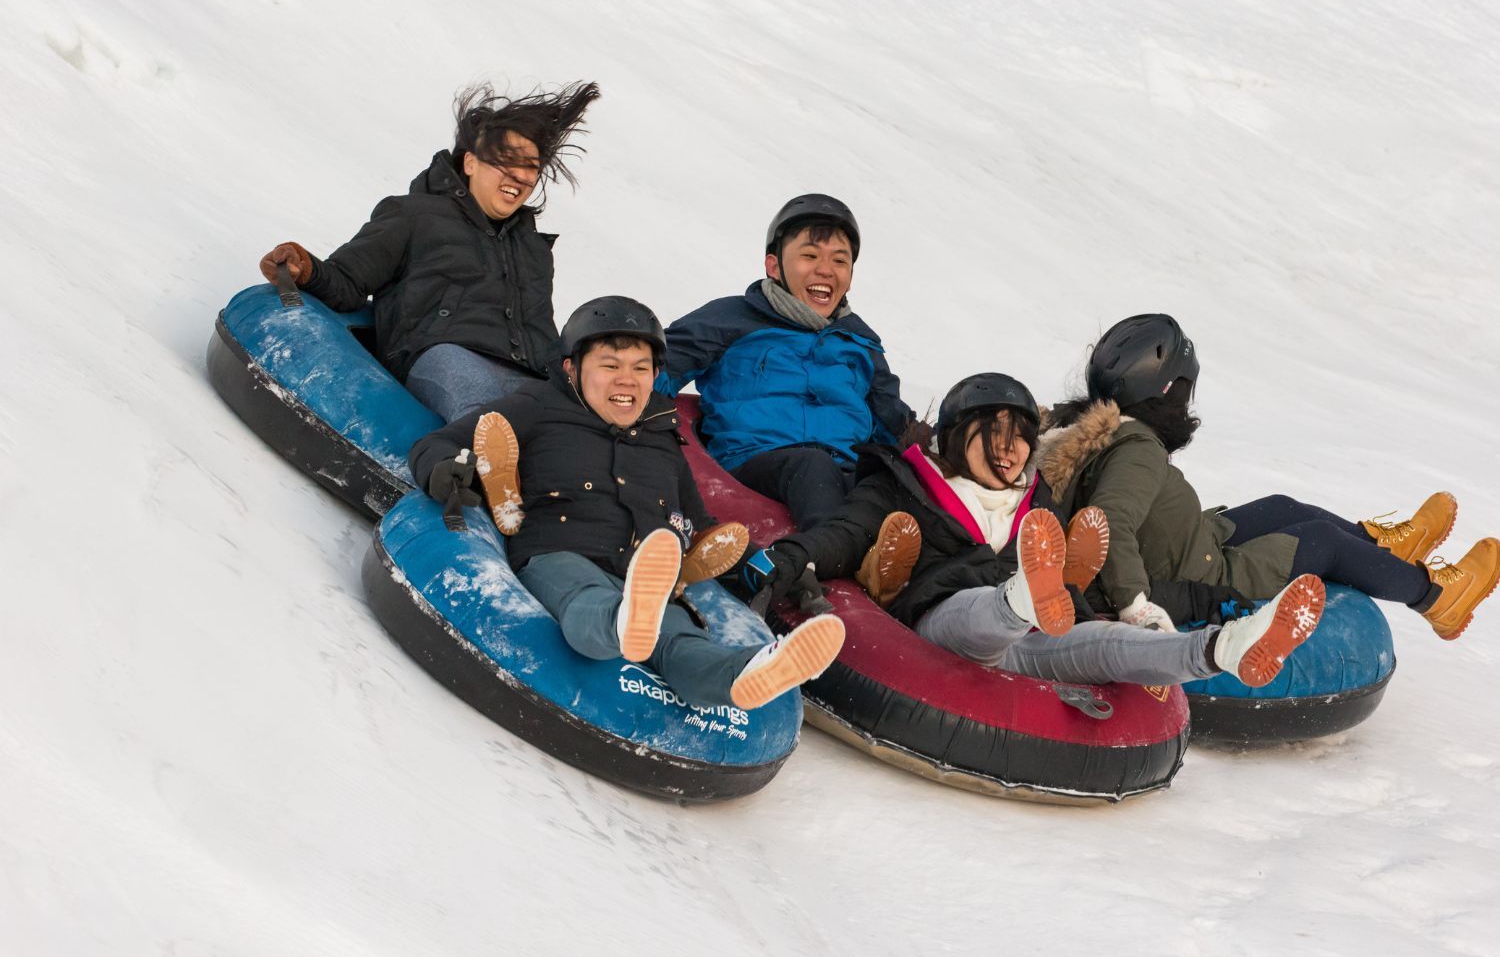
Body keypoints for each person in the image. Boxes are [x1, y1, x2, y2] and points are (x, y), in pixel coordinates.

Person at [748, 373, 1329, 690]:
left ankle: (1223, 648)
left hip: (1031, 643)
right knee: (982, 606)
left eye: (1020, 434)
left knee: (1101, 646)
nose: (1008, 447)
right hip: (945, 618)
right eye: (990, 430)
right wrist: (785, 558)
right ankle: (1024, 592)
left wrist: (1074, 606)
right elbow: (845, 532)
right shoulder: (907, 485)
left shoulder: (1035, 503)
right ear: (954, 436)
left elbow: (1075, 612)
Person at [408, 296, 847, 712]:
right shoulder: (537, 406)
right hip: (561, 551)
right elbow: (439, 443)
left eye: (641, 368)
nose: (626, 379)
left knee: (683, 644)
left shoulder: (663, 438)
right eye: (610, 365)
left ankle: (748, 671)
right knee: (586, 598)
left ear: (655, 377)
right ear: (572, 368)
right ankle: (623, 622)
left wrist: (770, 567)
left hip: (649, 577)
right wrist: (445, 469)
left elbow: (700, 525)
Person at [1037, 314, 1500, 640]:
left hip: (1190, 539)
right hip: (1200, 573)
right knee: (1323, 541)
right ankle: (1438, 599)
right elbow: (1109, 524)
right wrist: (1135, 607)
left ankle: (1384, 549)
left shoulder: (1084, 426)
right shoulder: (1137, 449)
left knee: (1281, 507)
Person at [259, 81, 601, 422]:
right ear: (470, 163)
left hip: (530, 374)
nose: (520, 175)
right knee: (479, 399)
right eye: (506, 160)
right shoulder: (413, 215)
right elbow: (349, 281)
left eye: (531, 166)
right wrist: (304, 268)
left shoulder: (533, 249)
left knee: (573, 421)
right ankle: (488, 464)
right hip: (445, 354)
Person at [655, 194, 922, 530]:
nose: (825, 270)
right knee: (812, 466)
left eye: (840, 261)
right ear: (774, 265)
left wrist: (952, 444)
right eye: (810, 256)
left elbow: (894, 424)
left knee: (894, 489)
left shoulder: (859, 342)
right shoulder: (731, 319)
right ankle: (830, 558)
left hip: (844, 472)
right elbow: (653, 368)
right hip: (755, 463)